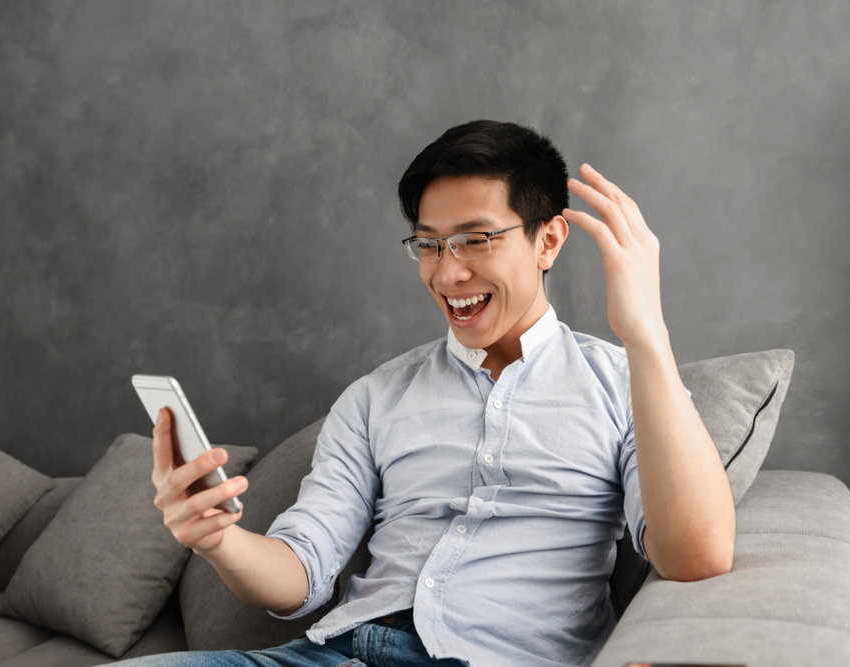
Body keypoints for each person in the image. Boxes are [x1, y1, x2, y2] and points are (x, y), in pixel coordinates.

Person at [126, 121, 736, 667]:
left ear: (548, 241)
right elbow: (303, 571)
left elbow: (695, 556)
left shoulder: (626, 385)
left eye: (476, 240)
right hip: (334, 653)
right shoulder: (375, 398)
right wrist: (219, 541)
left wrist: (645, 334)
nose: (447, 274)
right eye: (428, 244)